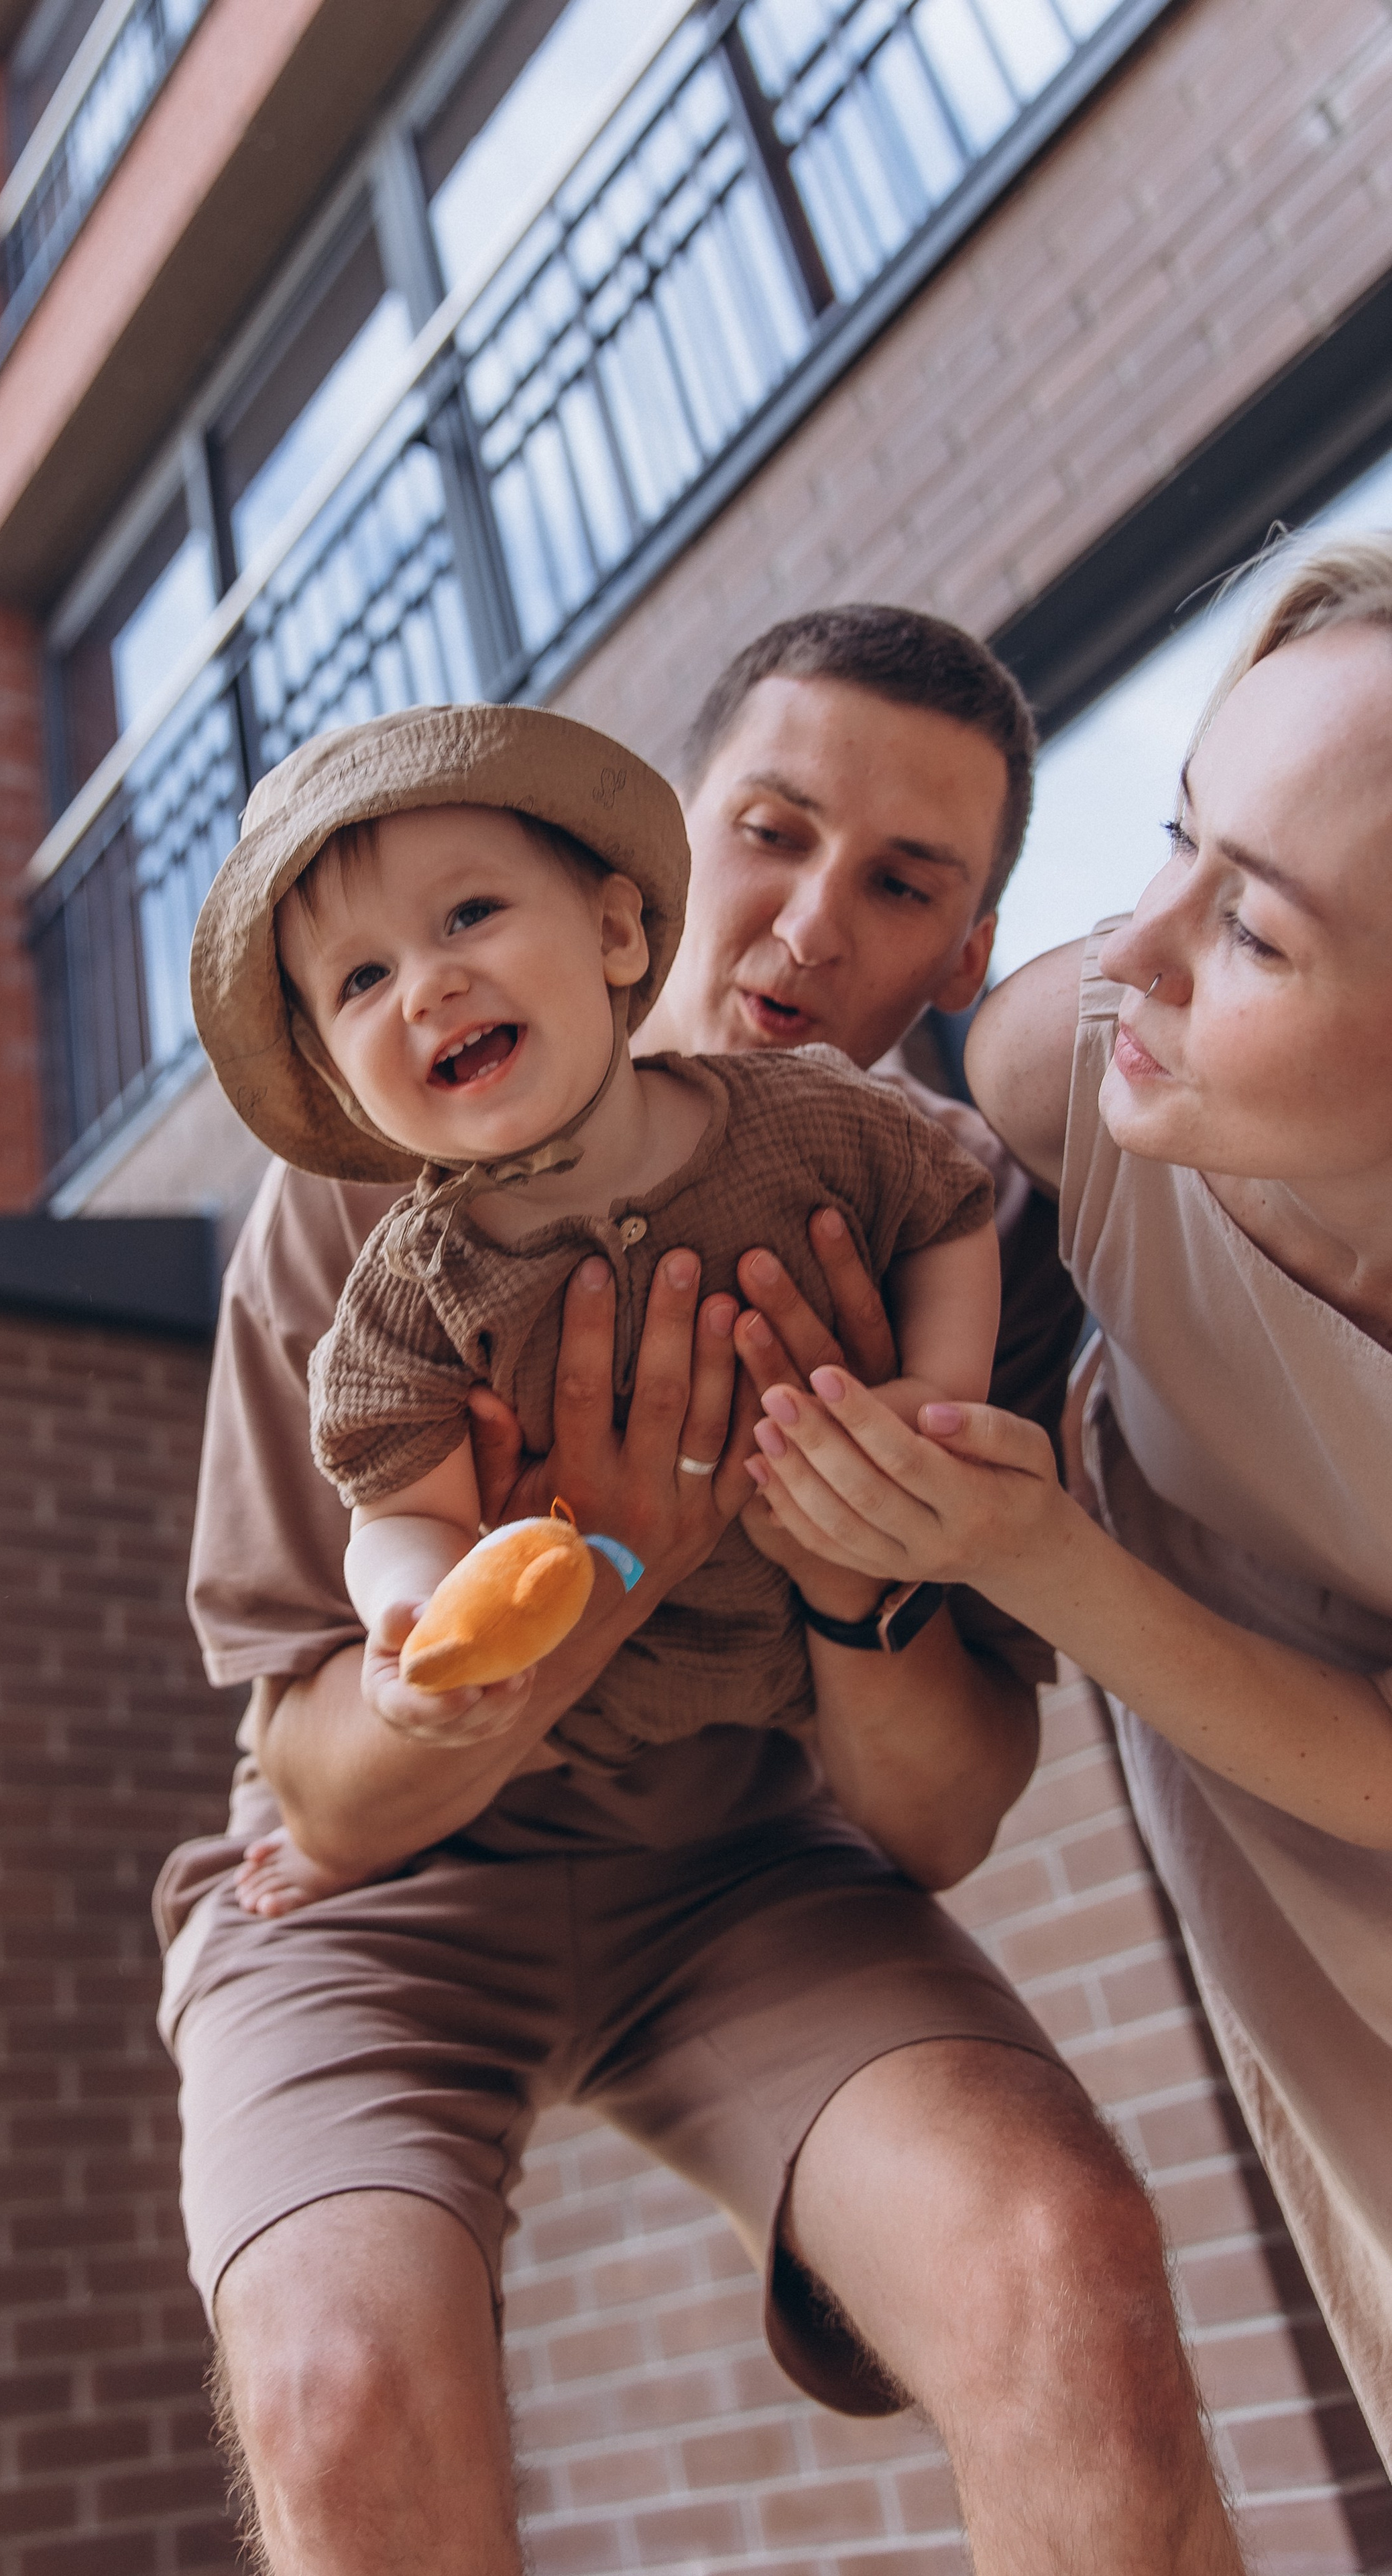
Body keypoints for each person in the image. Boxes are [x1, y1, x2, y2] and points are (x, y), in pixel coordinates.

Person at [157, 608, 1244, 2573]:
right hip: (394, 1895)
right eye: (773, 828)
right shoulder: (371, 1182)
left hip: (755, 1865)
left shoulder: (954, 1228)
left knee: (1057, 2260)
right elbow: (324, 1796)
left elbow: (937, 1819)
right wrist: (607, 1561)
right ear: (649, 861)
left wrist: (857, 1575)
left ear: (961, 956)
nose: (813, 923)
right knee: (339, 2391)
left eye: (900, 882)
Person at [740, 546, 1392, 2469]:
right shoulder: (1068, 1063)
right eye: (1171, 837)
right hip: (1305, 1923)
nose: (1134, 946)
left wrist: (1034, 1557)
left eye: (1254, 934)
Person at [186, 703, 997, 1908]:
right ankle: (367, 1857)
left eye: (469, 914)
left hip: (783, 1711)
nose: (429, 983)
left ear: (617, 930)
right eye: (364, 977)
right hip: (566, 1718)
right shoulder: (409, 1288)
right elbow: (396, 1494)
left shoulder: (807, 1119)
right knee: (451, 1757)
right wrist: (416, 1610)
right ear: (341, 1088)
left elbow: (946, 1207)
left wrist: (936, 1391)